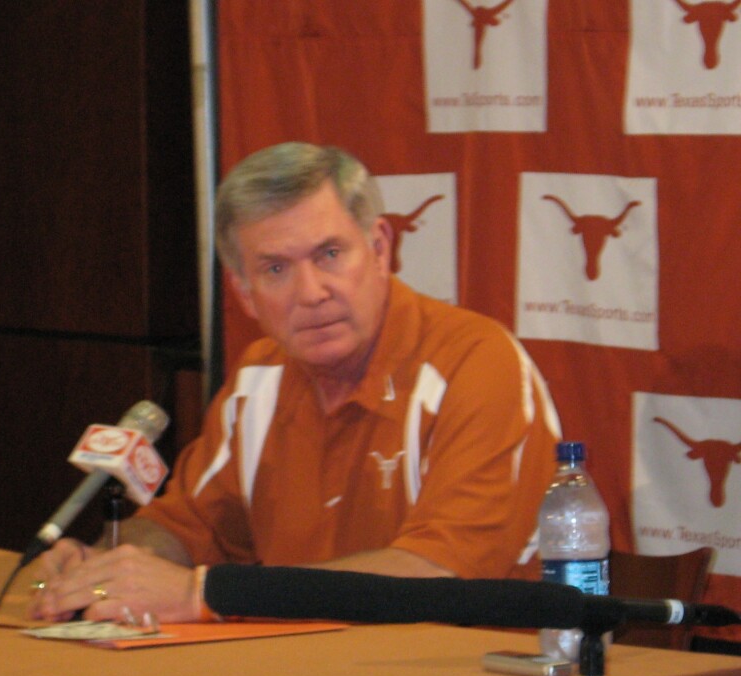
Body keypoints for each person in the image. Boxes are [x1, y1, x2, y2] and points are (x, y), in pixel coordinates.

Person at [29, 142, 561, 624]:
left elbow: (441, 575)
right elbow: (188, 525)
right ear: (242, 291)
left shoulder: (476, 364)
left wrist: (204, 593)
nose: (311, 292)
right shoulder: (257, 381)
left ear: (380, 248)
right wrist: (108, 566)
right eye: (276, 269)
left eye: (330, 254)